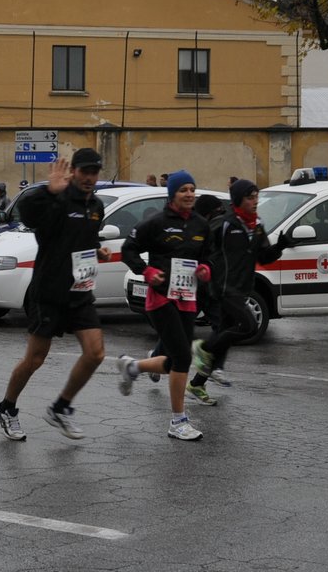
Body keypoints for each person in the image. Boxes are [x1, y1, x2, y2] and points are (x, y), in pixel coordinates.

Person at [0, 149, 110, 442]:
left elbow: (83, 239)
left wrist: (97, 250)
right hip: (49, 292)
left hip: (80, 291)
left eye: (94, 172)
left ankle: (61, 407)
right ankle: (6, 408)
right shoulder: (56, 198)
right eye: (85, 172)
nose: (90, 178)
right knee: (35, 358)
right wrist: (48, 190)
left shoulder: (96, 206)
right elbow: (29, 216)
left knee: (95, 353)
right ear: (74, 172)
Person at [114, 169, 213, 441]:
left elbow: (209, 257)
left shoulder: (201, 225)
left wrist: (205, 269)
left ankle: (133, 367)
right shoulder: (155, 223)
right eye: (184, 190)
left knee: (173, 363)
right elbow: (128, 249)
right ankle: (178, 421)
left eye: (192, 189)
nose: (189, 194)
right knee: (183, 358)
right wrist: (146, 272)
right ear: (173, 194)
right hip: (160, 299)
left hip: (187, 299)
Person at [189, 178, 287, 401]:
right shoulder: (224, 223)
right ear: (238, 200)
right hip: (222, 287)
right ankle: (202, 347)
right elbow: (200, 244)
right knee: (249, 326)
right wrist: (202, 268)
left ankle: (197, 384)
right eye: (250, 198)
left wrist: (281, 246)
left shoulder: (256, 226)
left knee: (223, 335)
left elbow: (264, 257)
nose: (255, 201)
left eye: (256, 197)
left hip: (243, 287)